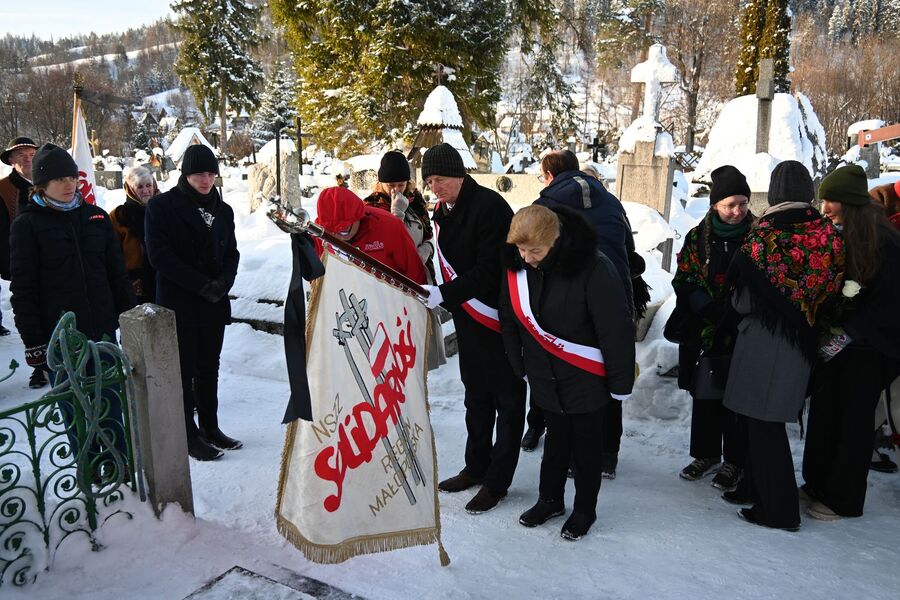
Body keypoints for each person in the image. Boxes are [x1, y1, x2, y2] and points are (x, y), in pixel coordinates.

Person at [499, 205, 634, 540]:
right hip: (544, 374)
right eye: (520, 249)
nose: (527, 258)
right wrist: (521, 367)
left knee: (587, 449)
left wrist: (620, 383)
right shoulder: (518, 268)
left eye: (535, 251)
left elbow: (614, 329)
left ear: (556, 240)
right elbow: (510, 318)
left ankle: (585, 509)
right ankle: (550, 500)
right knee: (555, 444)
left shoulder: (593, 268)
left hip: (585, 374)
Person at [723, 160, 844, 531]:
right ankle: (753, 490)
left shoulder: (764, 238)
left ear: (774, 194)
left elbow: (742, 301)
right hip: (804, 342)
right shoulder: (829, 236)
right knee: (766, 422)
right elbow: (834, 291)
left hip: (764, 343)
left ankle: (778, 510)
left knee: (764, 427)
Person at [9, 143, 135, 466]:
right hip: (62, 341)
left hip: (103, 333)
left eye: (71, 177)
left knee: (110, 405)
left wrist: (129, 317)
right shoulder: (27, 226)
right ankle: (90, 474)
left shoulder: (94, 217)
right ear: (41, 185)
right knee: (77, 411)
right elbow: (24, 289)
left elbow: (116, 275)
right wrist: (34, 342)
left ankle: (118, 469)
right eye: (58, 179)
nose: (68, 185)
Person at [420, 142, 527, 514]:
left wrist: (445, 292)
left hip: (497, 319)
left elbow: (491, 270)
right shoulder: (444, 210)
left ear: (458, 173)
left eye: (440, 179)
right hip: (469, 320)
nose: (435, 187)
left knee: (508, 403)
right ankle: (476, 466)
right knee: (476, 399)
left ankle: (498, 481)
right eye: (430, 181)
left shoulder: (490, 208)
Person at [524, 149, 634, 480]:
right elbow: (628, 247)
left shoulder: (544, 206)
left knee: (561, 368)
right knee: (608, 368)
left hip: (567, 302)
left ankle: (550, 436)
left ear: (548, 175)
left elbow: (531, 257)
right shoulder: (611, 201)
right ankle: (606, 454)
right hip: (615, 292)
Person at [801, 165, 900, 521]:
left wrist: (849, 333)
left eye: (831, 201)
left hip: (868, 350)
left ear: (850, 203)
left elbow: (888, 303)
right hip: (837, 347)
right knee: (825, 416)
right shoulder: (841, 234)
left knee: (852, 424)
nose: (824, 208)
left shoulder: (884, 242)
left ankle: (843, 498)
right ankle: (817, 483)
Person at [145, 144, 240, 462]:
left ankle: (211, 427)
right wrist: (201, 285)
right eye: (200, 173)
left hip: (214, 302)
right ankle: (188, 434)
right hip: (181, 301)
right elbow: (160, 256)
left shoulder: (223, 210)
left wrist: (223, 283)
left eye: (211, 173)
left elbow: (232, 254)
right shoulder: (162, 207)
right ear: (186, 174)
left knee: (209, 368)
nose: (206, 179)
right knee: (185, 371)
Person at [670, 165, 753, 492]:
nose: (737, 212)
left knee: (736, 398)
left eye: (742, 204)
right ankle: (705, 454)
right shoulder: (698, 237)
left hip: (743, 329)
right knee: (705, 393)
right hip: (705, 328)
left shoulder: (759, 236)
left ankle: (734, 460)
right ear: (715, 205)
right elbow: (685, 278)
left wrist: (736, 311)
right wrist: (706, 307)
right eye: (730, 205)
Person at [313, 186, 427, 284]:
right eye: (331, 234)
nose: (338, 238)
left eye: (343, 231)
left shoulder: (389, 226)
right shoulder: (319, 233)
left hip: (387, 298)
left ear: (358, 217)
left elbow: (414, 272)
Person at [363, 151, 436, 282]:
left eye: (401, 184)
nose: (396, 189)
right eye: (390, 185)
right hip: (392, 279)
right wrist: (397, 214)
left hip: (421, 276)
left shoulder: (416, 201)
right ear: (381, 183)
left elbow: (428, 234)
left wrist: (426, 249)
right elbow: (381, 246)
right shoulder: (371, 207)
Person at [0, 137, 39, 371]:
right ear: (12, 160)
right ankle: (37, 366)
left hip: (49, 259)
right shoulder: (4, 190)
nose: (27, 159)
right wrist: (9, 266)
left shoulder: (47, 182)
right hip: (20, 262)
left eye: (31, 154)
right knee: (29, 314)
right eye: (22, 155)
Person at [109, 166, 159, 304]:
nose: (145, 191)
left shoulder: (165, 210)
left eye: (149, 185)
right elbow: (113, 256)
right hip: (136, 288)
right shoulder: (119, 216)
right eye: (139, 187)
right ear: (130, 189)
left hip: (164, 282)